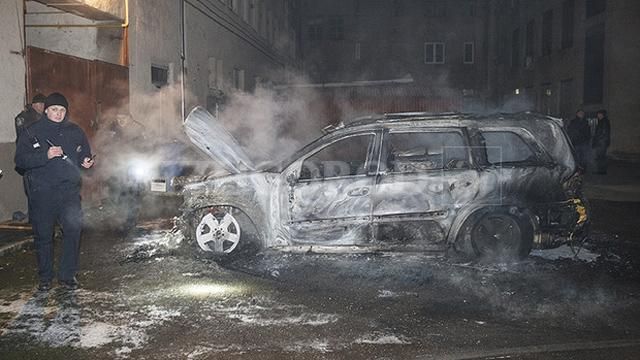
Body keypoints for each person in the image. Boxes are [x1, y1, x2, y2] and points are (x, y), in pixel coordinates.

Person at [14, 92, 95, 291]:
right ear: (46, 111)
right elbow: (20, 162)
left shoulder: (75, 131)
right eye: (54, 110)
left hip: (69, 192)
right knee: (43, 236)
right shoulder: (31, 131)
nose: (58, 114)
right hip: (43, 193)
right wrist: (45, 155)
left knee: (73, 232)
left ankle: (67, 276)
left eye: (62, 110)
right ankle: (45, 278)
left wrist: (87, 162)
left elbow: (84, 154)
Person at [592, 109, 611, 174]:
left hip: (601, 142)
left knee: (601, 157)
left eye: (600, 114)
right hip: (601, 142)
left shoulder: (604, 121)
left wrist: (597, 141)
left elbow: (603, 133)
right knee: (600, 157)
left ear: (603, 115)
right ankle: (601, 170)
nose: (598, 115)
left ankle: (601, 171)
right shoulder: (601, 121)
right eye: (598, 114)